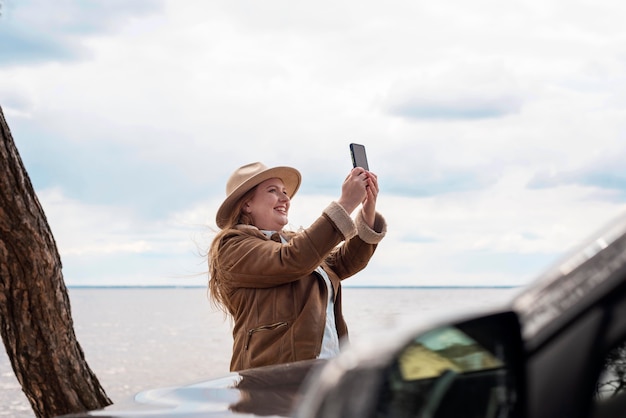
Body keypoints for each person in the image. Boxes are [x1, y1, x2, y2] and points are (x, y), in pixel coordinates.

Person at [208, 161, 387, 371]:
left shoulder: (293, 243)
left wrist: (367, 212)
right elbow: (292, 259)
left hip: (323, 374)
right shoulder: (233, 247)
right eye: (273, 191)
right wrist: (346, 204)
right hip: (272, 381)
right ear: (247, 204)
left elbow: (343, 263)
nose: (285, 198)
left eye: (285, 192)